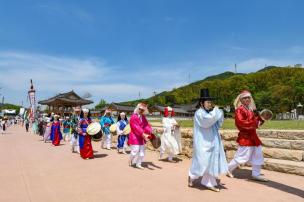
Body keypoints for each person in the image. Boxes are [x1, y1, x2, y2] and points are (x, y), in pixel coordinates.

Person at [188, 89, 228, 192]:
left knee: (210, 163)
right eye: (208, 102)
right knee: (202, 162)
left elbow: (218, 123)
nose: (210, 104)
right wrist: (216, 111)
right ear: (202, 103)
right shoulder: (199, 113)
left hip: (212, 141)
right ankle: (192, 176)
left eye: (211, 102)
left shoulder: (210, 112)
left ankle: (209, 183)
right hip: (202, 142)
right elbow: (207, 121)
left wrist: (220, 113)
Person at [227, 90, 268, 182]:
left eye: (249, 97)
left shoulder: (250, 110)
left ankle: (256, 174)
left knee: (258, 155)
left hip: (253, 136)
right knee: (242, 156)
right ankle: (228, 169)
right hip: (245, 137)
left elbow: (255, 122)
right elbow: (241, 123)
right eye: (245, 98)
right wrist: (256, 122)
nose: (247, 99)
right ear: (241, 100)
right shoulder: (239, 110)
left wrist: (262, 119)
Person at [128, 103, 152, 169]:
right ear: (137, 108)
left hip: (141, 137)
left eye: (142, 110)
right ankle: (130, 159)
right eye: (140, 109)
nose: (141, 110)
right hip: (135, 136)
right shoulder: (133, 117)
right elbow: (136, 127)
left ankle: (138, 164)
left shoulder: (143, 117)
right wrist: (143, 134)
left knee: (142, 151)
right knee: (135, 150)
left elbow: (146, 125)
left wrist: (150, 130)